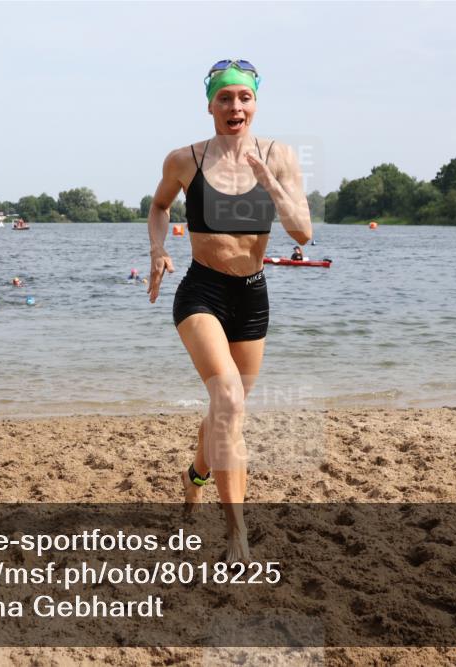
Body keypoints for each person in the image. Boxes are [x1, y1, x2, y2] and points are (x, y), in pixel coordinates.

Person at [147, 59, 312, 561]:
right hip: (201, 291)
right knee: (231, 401)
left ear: (255, 103)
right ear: (210, 106)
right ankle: (237, 535)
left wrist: (272, 182)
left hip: (252, 295)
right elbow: (158, 208)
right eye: (224, 98)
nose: (234, 106)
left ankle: (196, 473)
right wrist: (158, 250)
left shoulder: (279, 155)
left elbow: (303, 232)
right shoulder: (184, 160)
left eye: (243, 97)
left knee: (226, 409)